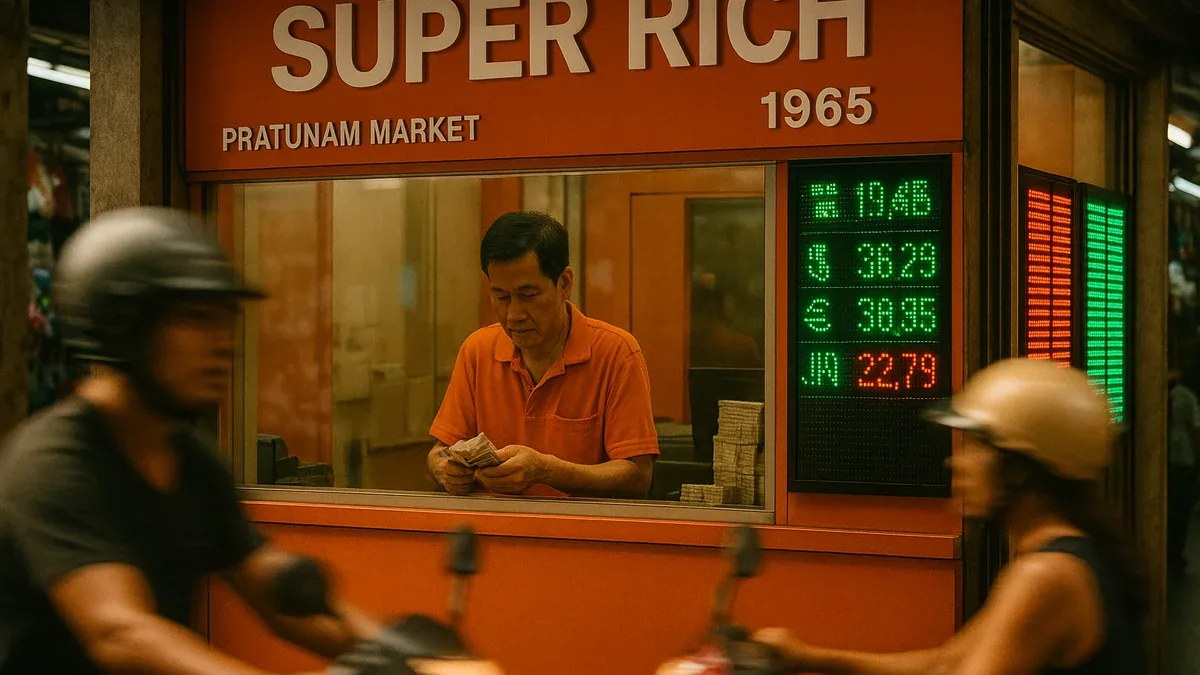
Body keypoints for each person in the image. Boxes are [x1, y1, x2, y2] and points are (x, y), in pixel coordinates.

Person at [0, 208, 386, 674]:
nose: (223, 343)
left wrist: (418, 659)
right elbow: (121, 632)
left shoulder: (190, 457)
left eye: (225, 320)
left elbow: (279, 595)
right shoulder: (53, 463)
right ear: (125, 327)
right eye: (196, 318)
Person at [750, 359, 1147, 675]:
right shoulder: (1067, 557)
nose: (955, 462)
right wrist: (806, 658)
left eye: (975, 446)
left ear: (1020, 469)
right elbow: (946, 663)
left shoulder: (1045, 577)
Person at [426, 211, 659, 499]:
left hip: (580, 536)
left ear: (564, 283)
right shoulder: (478, 350)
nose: (514, 314)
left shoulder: (617, 353)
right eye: (501, 297)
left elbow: (637, 476)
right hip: (491, 533)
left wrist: (545, 470)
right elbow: (438, 451)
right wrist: (445, 470)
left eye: (528, 294)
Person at [1167, 367, 1200, 573]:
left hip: (1180, 458)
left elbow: (1196, 430)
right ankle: (1173, 552)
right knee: (1177, 509)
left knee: (1179, 509)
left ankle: (1173, 551)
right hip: (1177, 458)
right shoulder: (1185, 397)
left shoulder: (1185, 398)